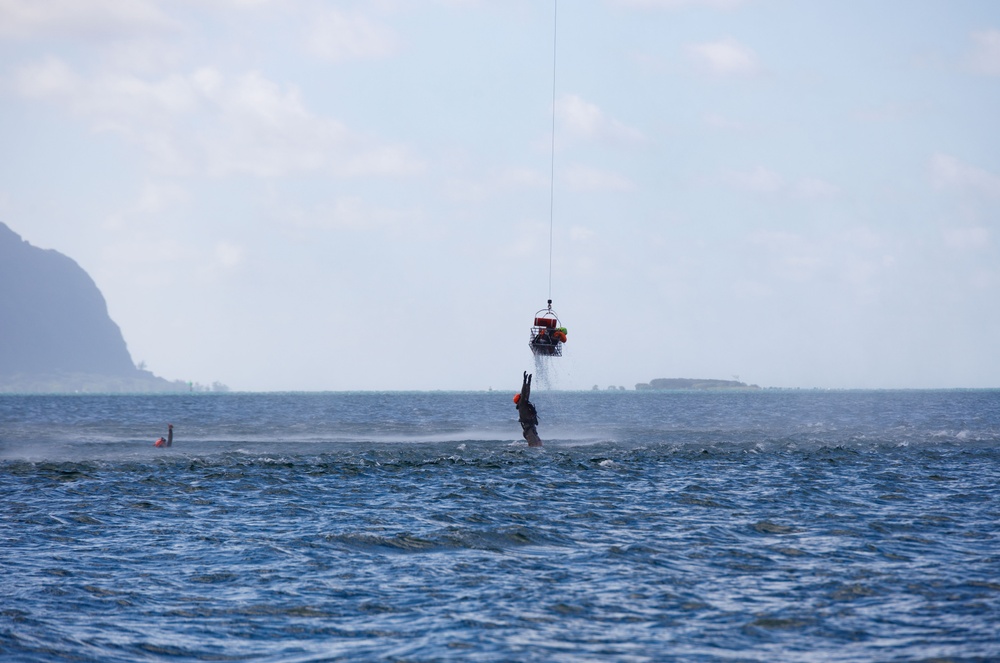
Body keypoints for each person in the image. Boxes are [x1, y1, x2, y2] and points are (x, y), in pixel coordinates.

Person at [514, 371, 542, 447]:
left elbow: (526, 394)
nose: (525, 397)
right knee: (534, 446)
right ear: (520, 399)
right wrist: (525, 381)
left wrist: (528, 382)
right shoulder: (522, 404)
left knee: (539, 444)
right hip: (528, 430)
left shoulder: (524, 404)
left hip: (531, 429)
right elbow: (524, 393)